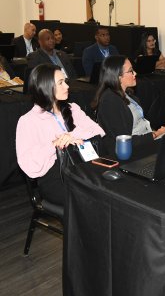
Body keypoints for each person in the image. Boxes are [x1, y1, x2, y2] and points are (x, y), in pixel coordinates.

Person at [16, 64, 105, 206]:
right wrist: (54, 145)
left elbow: (99, 131)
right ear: (46, 87)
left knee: (113, 191)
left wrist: (72, 136)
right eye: (60, 83)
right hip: (56, 177)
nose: (67, 86)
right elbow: (29, 165)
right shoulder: (28, 121)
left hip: (84, 167)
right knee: (93, 200)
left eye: (65, 81)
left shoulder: (73, 108)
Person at [92, 55, 165, 155]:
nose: (135, 73)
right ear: (118, 76)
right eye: (130, 71)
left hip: (144, 142)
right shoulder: (109, 101)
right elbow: (124, 140)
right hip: (132, 151)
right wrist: (156, 134)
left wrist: (156, 133)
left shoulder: (127, 94)